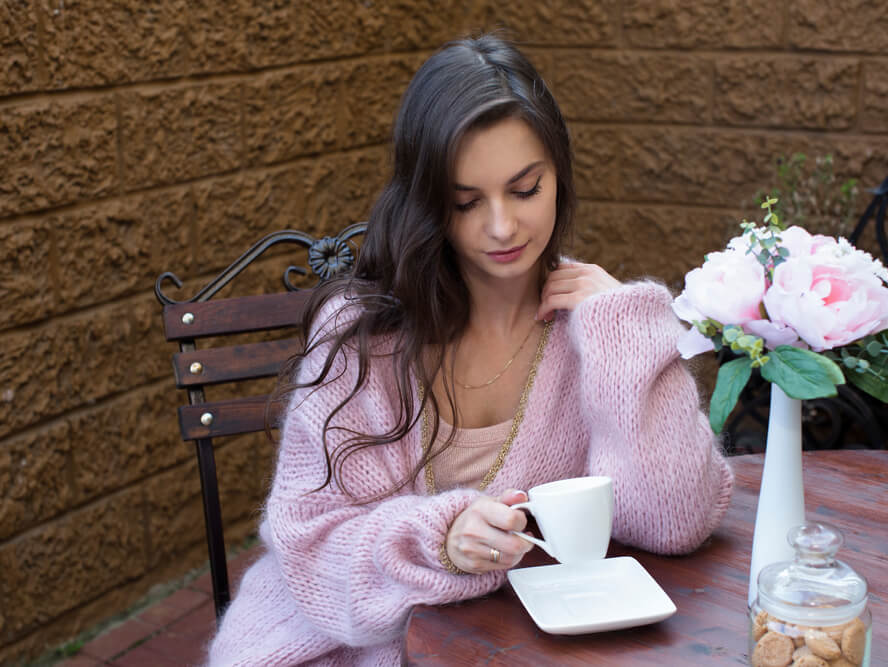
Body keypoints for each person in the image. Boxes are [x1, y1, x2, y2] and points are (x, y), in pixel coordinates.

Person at [207, 34, 733, 666]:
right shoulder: (363, 336)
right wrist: (439, 539)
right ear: (427, 202)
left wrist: (623, 327)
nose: (502, 227)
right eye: (465, 202)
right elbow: (307, 544)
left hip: (521, 645)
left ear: (559, 175)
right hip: (335, 644)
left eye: (525, 188)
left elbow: (675, 521)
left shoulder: (592, 330)